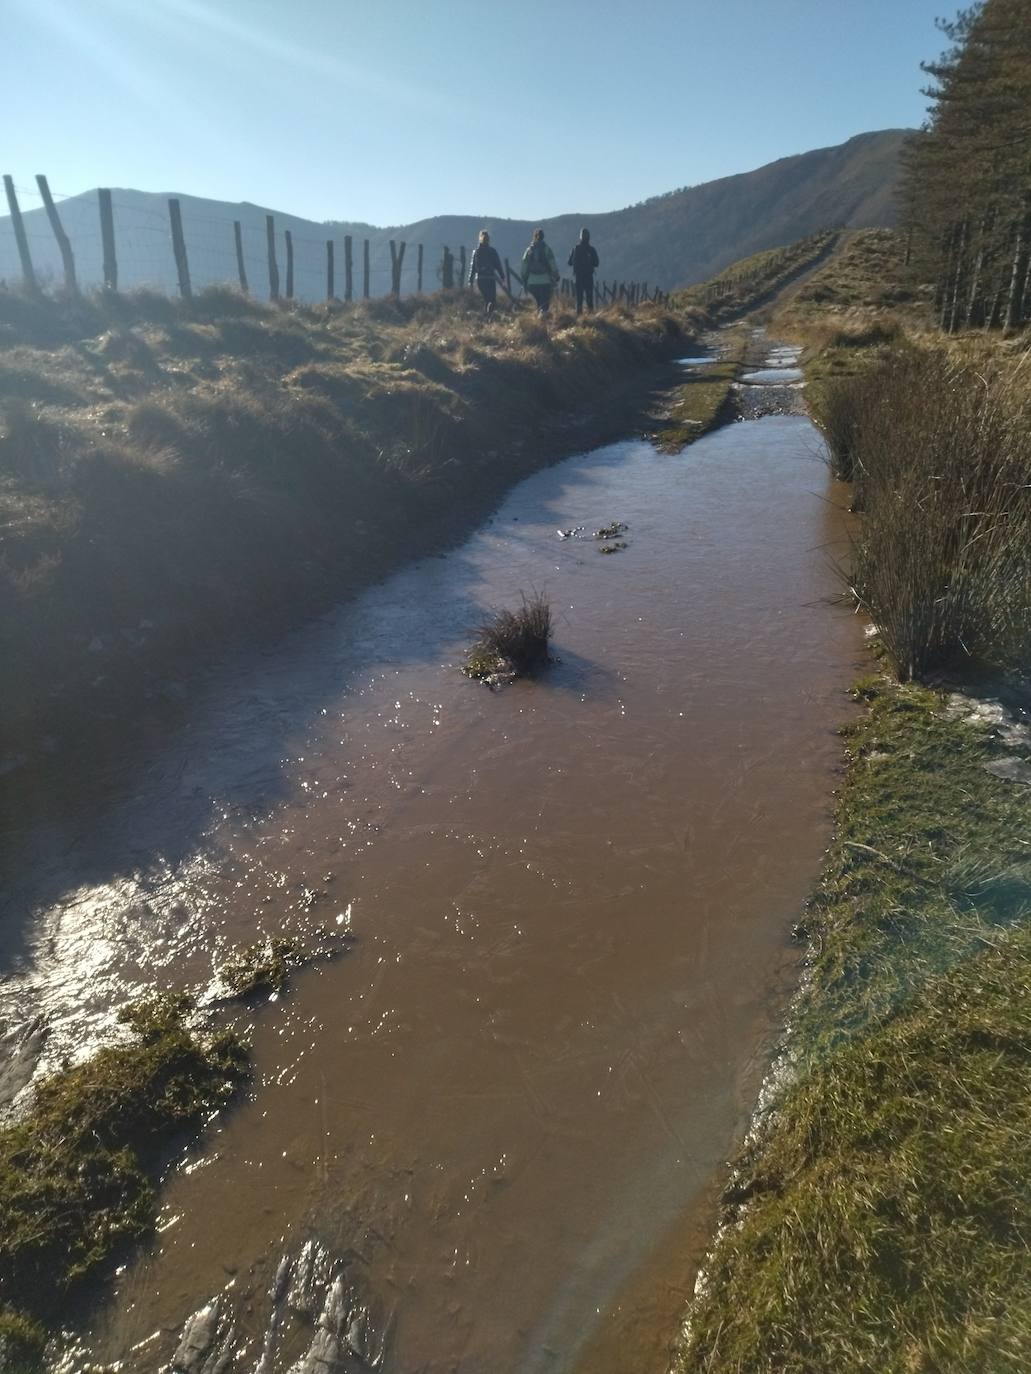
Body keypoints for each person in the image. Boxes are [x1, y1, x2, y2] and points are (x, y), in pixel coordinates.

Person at [521, 228, 559, 315]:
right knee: (544, 305)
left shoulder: (529, 250)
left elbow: (524, 265)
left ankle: (537, 323)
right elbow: (552, 263)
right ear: (543, 237)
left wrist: (524, 278)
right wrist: (556, 276)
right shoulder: (547, 249)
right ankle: (543, 322)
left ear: (534, 237)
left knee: (536, 305)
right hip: (545, 281)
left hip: (532, 282)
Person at [468, 229, 504, 316]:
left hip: (480, 279)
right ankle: (489, 317)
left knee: (486, 299)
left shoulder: (476, 252)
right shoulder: (492, 251)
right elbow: (498, 265)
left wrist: (470, 280)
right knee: (492, 300)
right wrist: (502, 276)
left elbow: (472, 267)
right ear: (488, 239)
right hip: (490, 278)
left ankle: (486, 317)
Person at [568, 228, 600, 314]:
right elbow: (597, 263)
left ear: (580, 237)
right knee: (589, 297)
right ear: (589, 237)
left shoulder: (575, 248)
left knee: (579, 298)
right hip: (589, 276)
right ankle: (591, 316)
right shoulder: (591, 249)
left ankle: (579, 316)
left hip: (578, 276)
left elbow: (570, 263)